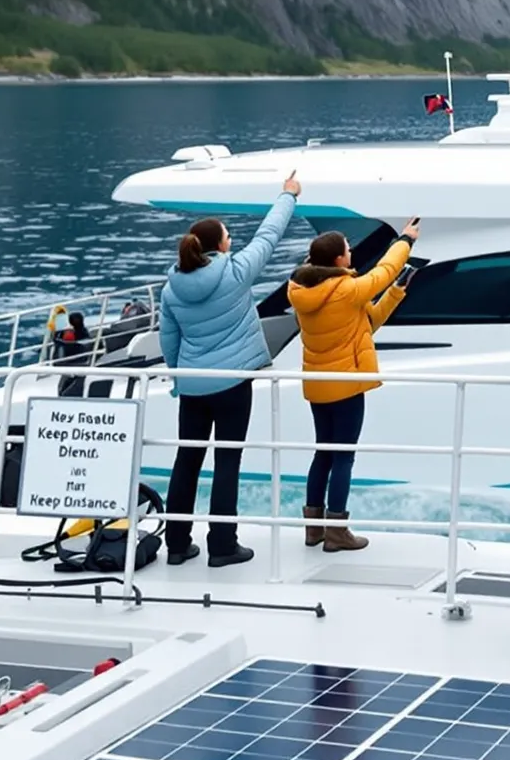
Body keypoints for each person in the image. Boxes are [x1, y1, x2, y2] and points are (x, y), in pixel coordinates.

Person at [158, 173, 301, 568]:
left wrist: (179, 378)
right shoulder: (236, 272)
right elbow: (269, 234)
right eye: (227, 236)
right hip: (234, 383)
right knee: (226, 462)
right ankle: (222, 546)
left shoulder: (171, 289)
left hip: (192, 386)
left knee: (186, 461)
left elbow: (168, 341)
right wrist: (288, 195)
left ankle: (176, 545)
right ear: (219, 246)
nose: (232, 241)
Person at [286, 218, 417, 552]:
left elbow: (367, 323)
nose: (351, 253)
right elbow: (384, 270)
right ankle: (337, 530)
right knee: (343, 458)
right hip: (346, 385)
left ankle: (314, 528)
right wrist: (405, 239)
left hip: (318, 384)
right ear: (338, 261)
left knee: (324, 455)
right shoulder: (345, 289)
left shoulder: (304, 289)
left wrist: (398, 292)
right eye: (347, 250)